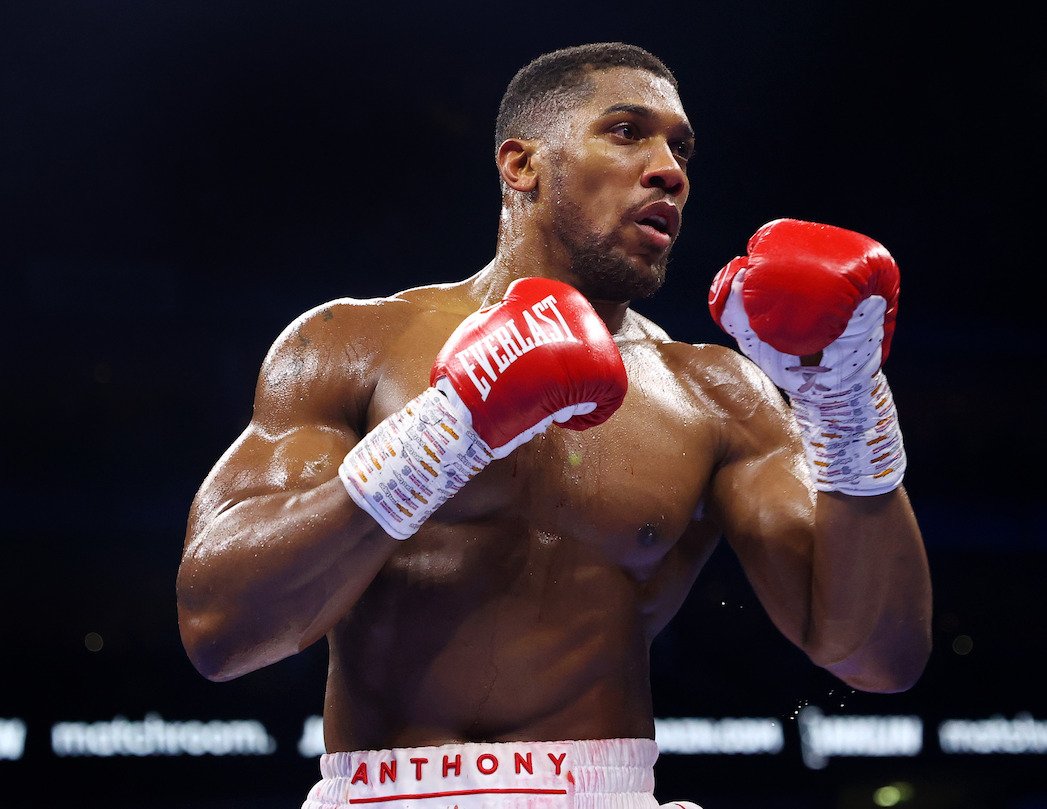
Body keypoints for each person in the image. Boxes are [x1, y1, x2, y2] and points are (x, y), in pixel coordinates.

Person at [177, 42, 932, 809]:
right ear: (521, 165)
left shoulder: (715, 391)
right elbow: (220, 630)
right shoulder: (353, 343)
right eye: (628, 131)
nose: (670, 167)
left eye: (682, 145)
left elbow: (875, 654)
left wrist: (846, 406)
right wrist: (439, 436)